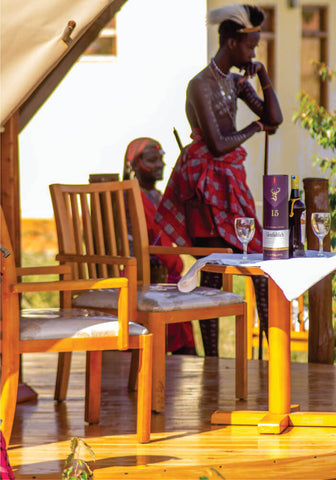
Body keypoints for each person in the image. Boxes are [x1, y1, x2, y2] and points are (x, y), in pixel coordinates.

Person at [155, 4, 283, 356]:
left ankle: (274, 360)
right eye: (250, 47)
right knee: (211, 270)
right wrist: (255, 127)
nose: (252, 52)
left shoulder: (235, 83)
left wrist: (263, 76)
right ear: (229, 42)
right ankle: (211, 361)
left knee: (260, 264)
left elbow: (275, 117)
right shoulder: (200, 84)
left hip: (231, 185)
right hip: (204, 184)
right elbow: (216, 144)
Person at [123, 137, 196, 354]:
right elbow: (126, 242)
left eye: (161, 158)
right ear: (134, 165)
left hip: (165, 272)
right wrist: (149, 262)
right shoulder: (128, 195)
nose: (160, 165)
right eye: (152, 160)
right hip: (142, 273)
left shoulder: (157, 196)